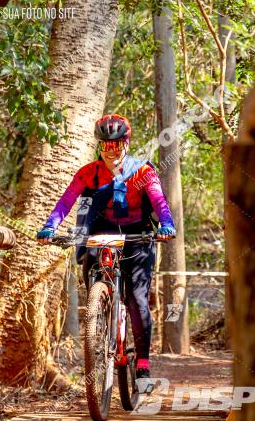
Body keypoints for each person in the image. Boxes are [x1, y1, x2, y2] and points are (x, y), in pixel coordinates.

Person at [37, 114, 176, 385]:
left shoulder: (143, 170)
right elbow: (66, 201)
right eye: (105, 146)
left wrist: (167, 225)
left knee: (137, 297)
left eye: (117, 145)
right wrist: (50, 226)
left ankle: (143, 363)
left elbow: (159, 202)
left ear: (126, 143)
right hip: (102, 234)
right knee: (90, 272)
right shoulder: (89, 172)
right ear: (100, 146)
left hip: (139, 235)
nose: (111, 151)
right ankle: (99, 318)